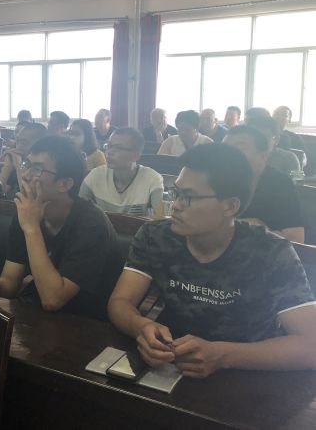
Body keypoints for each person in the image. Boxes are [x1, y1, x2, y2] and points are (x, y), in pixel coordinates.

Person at [108, 143, 316, 379]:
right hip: (172, 363)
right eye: (176, 193)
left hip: (248, 373)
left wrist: (223, 355)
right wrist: (141, 327)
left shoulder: (270, 252)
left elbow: (311, 346)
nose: (175, 205)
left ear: (230, 206)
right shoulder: (155, 236)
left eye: (188, 197)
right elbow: (120, 302)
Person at [0, 135, 119, 319]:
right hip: (38, 315)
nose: (25, 175)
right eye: (26, 165)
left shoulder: (92, 224)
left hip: (86, 322)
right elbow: (10, 282)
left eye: (37, 169)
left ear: (65, 184)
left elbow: (53, 299)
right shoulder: (28, 212)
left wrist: (32, 228)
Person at [223, 125, 304, 243]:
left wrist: (253, 229)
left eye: (239, 149)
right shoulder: (216, 179)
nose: (228, 155)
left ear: (263, 156)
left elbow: (296, 238)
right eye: (224, 149)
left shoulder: (282, 181)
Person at [80, 128, 164, 217]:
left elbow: (159, 219)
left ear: (136, 155)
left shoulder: (152, 180)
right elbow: (77, 211)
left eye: (118, 148)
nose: (109, 152)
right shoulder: (96, 175)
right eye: (109, 146)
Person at [0, 123, 48, 196]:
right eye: (18, 142)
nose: (19, 147)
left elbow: (30, 198)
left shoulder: (44, 169)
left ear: (40, 145)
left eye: (24, 143)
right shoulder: (21, 162)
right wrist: (7, 167)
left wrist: (19, 166)